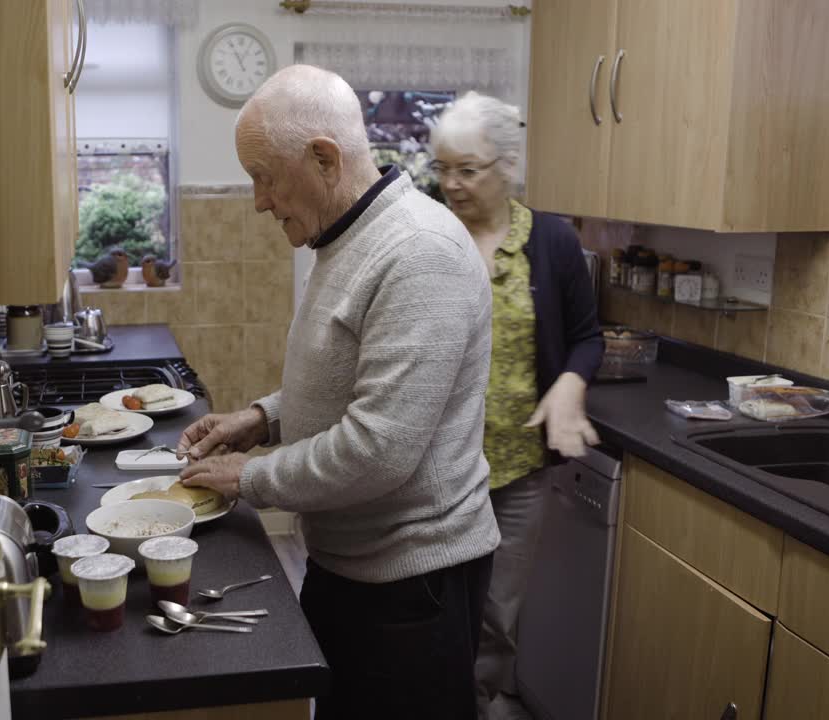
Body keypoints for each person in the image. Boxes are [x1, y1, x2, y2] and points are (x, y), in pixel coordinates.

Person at [176, 65, 499, 719]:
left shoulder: (419, 252)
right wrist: (262, 417)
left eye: (263, 176)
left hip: (413, 586)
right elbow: (344, 377)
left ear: (323, 158)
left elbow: (379, 448)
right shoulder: (347, 239)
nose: (259, 201)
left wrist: (251, 476)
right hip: (350, 565)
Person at [429, 91, 604, 719]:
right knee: (436, 611)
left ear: (506, 167)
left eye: (466, 169)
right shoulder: (428, 236)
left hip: (518, 472)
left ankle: (476, 704)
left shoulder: (554, 241)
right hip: (436, 471)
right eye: (442, 168)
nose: (450, 184)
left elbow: (587, 336)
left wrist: (569, 382)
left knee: (497, 615)